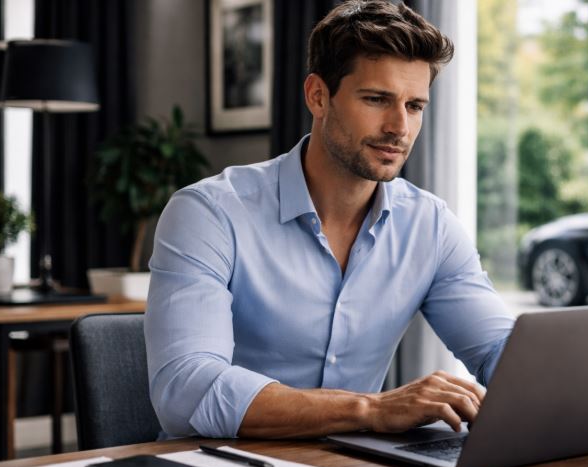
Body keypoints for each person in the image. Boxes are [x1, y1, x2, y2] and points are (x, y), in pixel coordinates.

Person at [144, 0, 515, 440]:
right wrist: (370, 408)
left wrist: (573, 382)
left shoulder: (430, 226)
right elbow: (186, 392)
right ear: (318, 96)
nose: (400, 127)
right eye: (377, 99)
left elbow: (501, 352)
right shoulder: (209, 213)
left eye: (415, 106)